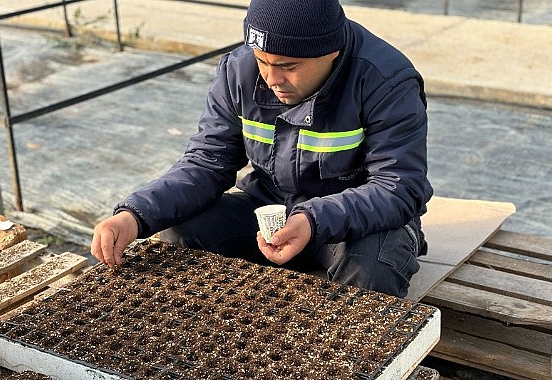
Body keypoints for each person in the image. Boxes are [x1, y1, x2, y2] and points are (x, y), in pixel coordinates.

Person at [91, 0, 433, 298]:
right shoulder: (238, 71)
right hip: (271, 207)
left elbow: (398, 188)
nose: (272, 78)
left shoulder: (385, 80)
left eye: (288, 66)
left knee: (373, 269)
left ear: (332, 51)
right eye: (262, 61)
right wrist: (135, 215)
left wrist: (313, 220)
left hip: (355, 223)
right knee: (180, 232)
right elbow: (207, 163)